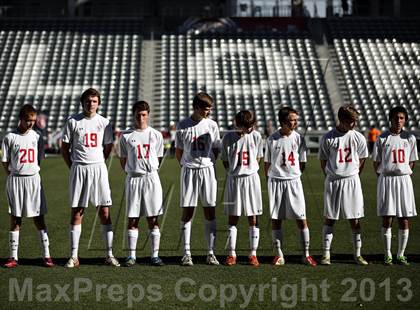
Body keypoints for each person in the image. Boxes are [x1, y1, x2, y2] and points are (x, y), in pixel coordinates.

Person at [61, 88, 120, 268]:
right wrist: (73, 167)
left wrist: (99, 161)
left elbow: (108, 146)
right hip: (79, 168)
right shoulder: (72, 121)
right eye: (88, 100)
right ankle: (74, 256)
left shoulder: (104, 122)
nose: (91, 104)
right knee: (77, 211)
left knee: (104, 212)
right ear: (83, 102)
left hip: (98, 169)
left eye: (94, 101)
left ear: (98, 103)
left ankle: (109, 254)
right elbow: (65, 148)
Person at [1, 104, 54, 268]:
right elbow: (5, 161)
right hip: (16, 179)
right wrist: (11, 175)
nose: (31, 123)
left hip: (33, 180)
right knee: (15, 218)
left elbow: (39, 159)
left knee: (38, 218)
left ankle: (47, 255)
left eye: (33, 120)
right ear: (21, 119)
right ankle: (13, 257)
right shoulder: (10, 137)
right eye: (28, 120)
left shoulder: (37, 137)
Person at [264, 107, 317, 267]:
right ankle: (279, 255)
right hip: (276, 182)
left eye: (295, 120)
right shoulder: (272, 139)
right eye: (291, 120)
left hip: (294, 182)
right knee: (276, 219)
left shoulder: (299, 138)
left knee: (301, 218)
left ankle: (306, 254)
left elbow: (302, 163)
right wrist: (273, 178)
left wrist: (293, 174)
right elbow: (266, 164)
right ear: (282, 122)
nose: (294, 123)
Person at [318, 104, 368, 265]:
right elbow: (323, 160)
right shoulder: (328, 137)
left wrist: (353, 174)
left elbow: (362, 159)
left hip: (352, 181)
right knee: (330, 218)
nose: (354, 124)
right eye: (351, 121)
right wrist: (332, 175)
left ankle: (358, 254)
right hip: (333, 181)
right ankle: (326, 254)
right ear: (342, 119)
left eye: (355, 121)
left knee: (355, 219)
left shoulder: (358, 137)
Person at [175, 92, 220, 266]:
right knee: (188, 211)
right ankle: (187, 252)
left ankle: (211, 252)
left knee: (210, 210)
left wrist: (208, 163)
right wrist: (187, 166)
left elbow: (216, 148)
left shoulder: (212, 125)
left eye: (210, 109)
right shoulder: (183, 125)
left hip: (207, 171)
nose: (208, 112)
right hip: (189, 171)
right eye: (206, 109)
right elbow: (179, 152)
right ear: (196, 107)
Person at [119, 101, 165, 267]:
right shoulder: (125, 136)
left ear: (148, 115)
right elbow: (123, 160)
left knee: (153, 217)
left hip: (151, 178)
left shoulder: (156, 135)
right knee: (133, 218)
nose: (141, 117)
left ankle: (155, 255)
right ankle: (132, 256)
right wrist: (133, 171)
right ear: (133, 115)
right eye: (138, 114)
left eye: (144, 114)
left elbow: (158, 157)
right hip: (133, 179)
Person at [372, 106, 417, 266]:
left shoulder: (409, 138)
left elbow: (412, 161)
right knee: (387, 217)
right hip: (387, 180)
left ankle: (401, 254)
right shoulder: (382, 138)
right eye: (396, 118)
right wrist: (386, 175)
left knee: (404, 218)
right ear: (390, 119)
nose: (398, 121)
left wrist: (403, 172)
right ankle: (388, 254)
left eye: (402, 118)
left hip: (404, 180)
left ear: (405, 120)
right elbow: (376, 162)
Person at [222, 110, 263, 267]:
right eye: (245, 127)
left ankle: (253, 253)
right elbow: (225, 160)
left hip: (251, 180)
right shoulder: (228, 137)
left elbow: (258, 157)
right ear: (237, 124)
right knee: (233, 217)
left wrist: (249, 170)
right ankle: (232, 253)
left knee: (253, 217)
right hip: (234, 180)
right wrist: (233, 172)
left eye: (250, 127)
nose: (248, 130)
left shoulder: (257, 136)